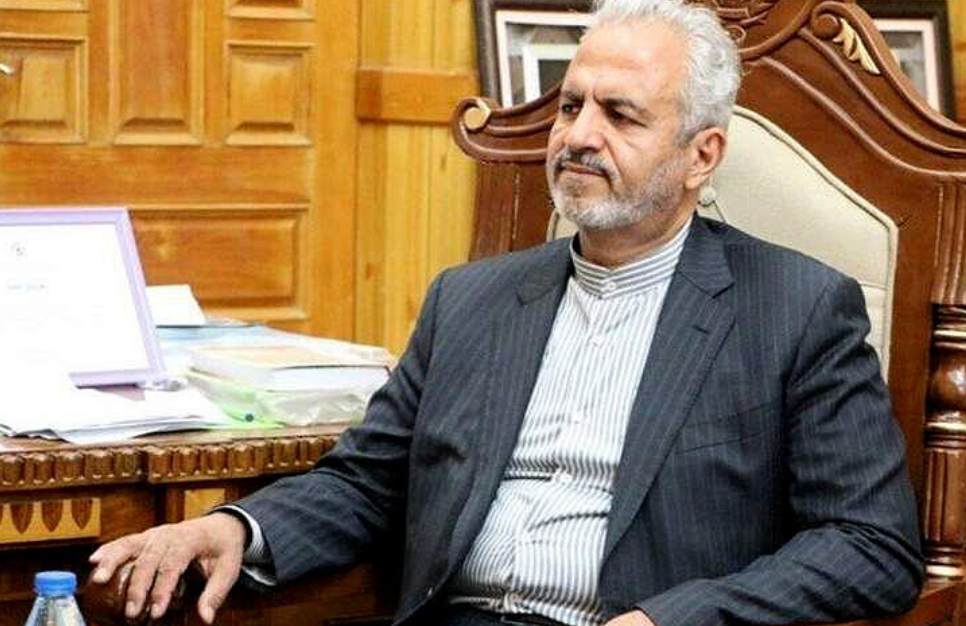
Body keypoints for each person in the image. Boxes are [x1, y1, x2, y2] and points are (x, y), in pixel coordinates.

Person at [88, 1, 924, 625]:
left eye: (620, 115)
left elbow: (870, 546)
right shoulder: (472, 300)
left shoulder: (796, 309)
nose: (578, 136)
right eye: (570, 106)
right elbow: (369, 483)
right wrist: (238, 529)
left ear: (701, 155)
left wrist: (673, 618)